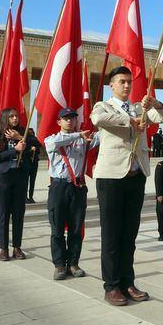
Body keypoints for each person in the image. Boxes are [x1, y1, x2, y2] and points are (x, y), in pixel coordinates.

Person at [91, 66, 163, 306]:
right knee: (112, 233)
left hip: (136, 176)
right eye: (122, 82)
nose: (127, 86)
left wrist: (156, 103)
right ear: (112, 86)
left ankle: (128, 281)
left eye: (129, 82)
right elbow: (99, 119)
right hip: (112, 177)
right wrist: (130, 121)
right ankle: (112, 285)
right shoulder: (103, 106)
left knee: (129, 233)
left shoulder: (140, 107)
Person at [45, 107, 99, 280]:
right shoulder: (52, 139)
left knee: (76, 228)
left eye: (73, 118)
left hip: (77, 187)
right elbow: (55, 144)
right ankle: (59, 265)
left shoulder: (84, 140)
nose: (69, 121)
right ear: (59, 122)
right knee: (57, 228)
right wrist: (78, 135)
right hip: (59, 188)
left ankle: (73, 263)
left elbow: (102, 137)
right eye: (66, 118)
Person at [0, 108, 35, 261]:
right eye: (11, 117)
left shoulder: (23, 131)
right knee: (3, 214)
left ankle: (17, 247)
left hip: (20, 177)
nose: (15, 119)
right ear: (5, 118)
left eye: (16, 116)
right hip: (3, 178)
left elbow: (37, 145)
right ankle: (3, 248)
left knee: (18, 214)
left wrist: (19, 137)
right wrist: (15, 150)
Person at [25, 127, 42, 203]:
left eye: (32, 132)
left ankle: (31, 196)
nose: (31, 134)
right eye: (29, 133)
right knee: (25, 181)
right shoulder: (25, 140)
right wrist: (30, 149)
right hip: (27, 162)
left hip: (34, 162)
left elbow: (39, 147)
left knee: (32, 180)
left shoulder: (35, 140)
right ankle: (25, 197)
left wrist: (35, 148)